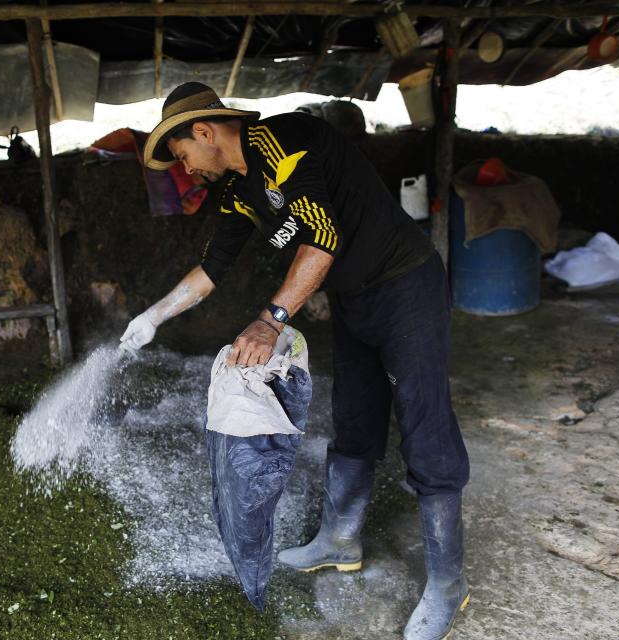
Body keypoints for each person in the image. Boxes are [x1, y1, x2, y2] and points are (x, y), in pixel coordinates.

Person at [119, 83, 470, 640]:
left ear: (204, 132)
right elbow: (213, 268)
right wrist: (154, 316)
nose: (185, 170)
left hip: (406, 285)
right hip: (356, 297)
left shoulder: (285, 139)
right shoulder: (238, 189)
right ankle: (341, 540)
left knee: (424, 428)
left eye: (182, 155)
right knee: (354, 418)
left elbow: (322, 236)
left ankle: (448, 584)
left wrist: (271, 319)